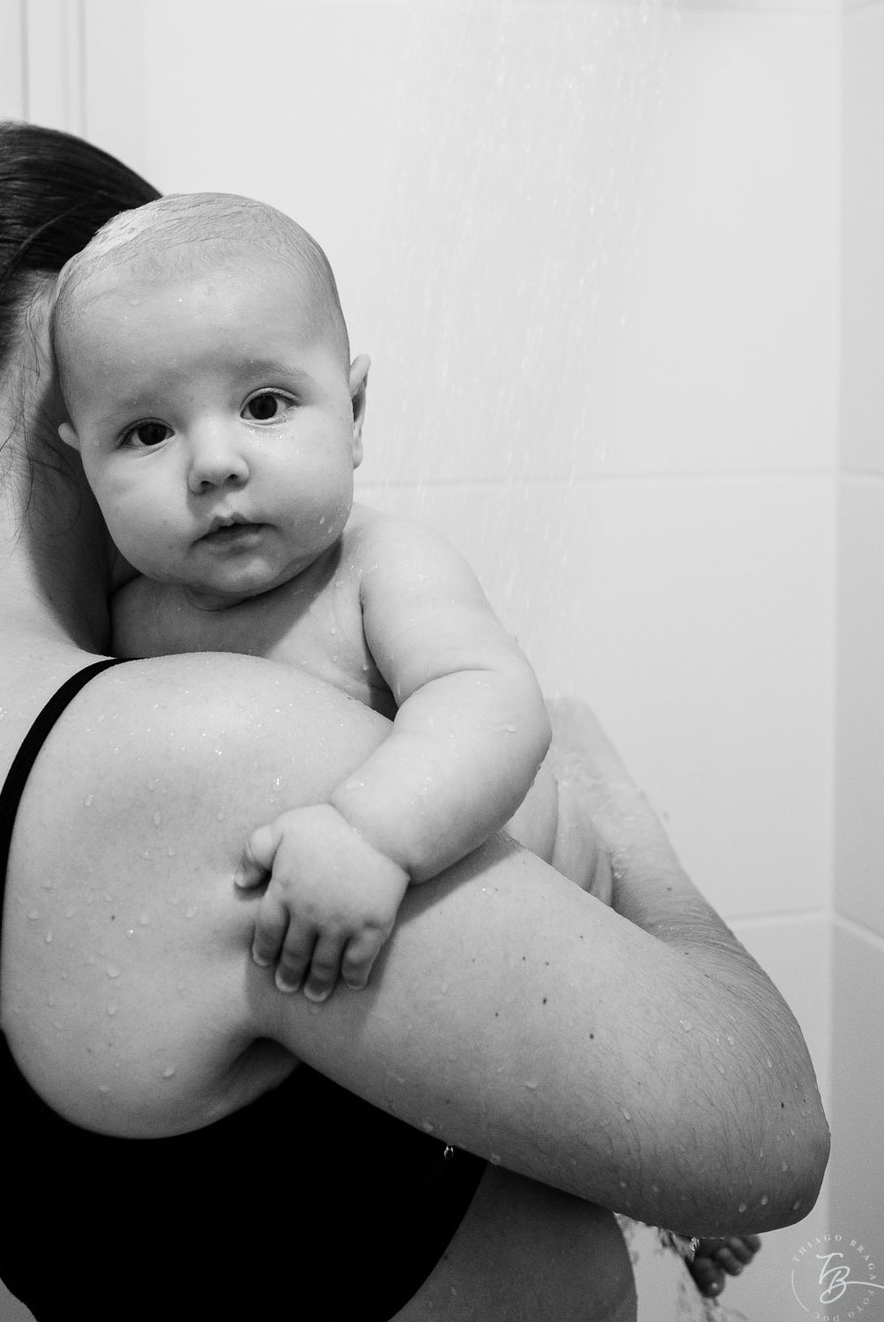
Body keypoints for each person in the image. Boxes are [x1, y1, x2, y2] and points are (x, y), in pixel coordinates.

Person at [0, 84, 827, 1322]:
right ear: (61, 375)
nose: (217, 457)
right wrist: (623, 819)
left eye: (262, 398)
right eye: (153, 407)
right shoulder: (195, 755)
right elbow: (768, 1141)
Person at [51, 192, 553, 1004]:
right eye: (147, 432)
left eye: (263, 407)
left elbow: (495, 703)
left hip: (529, 954)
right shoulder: (123, 615)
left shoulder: (379, 569)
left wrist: (372, 834)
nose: (214, 463)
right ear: (84, 465)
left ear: (353, 414)